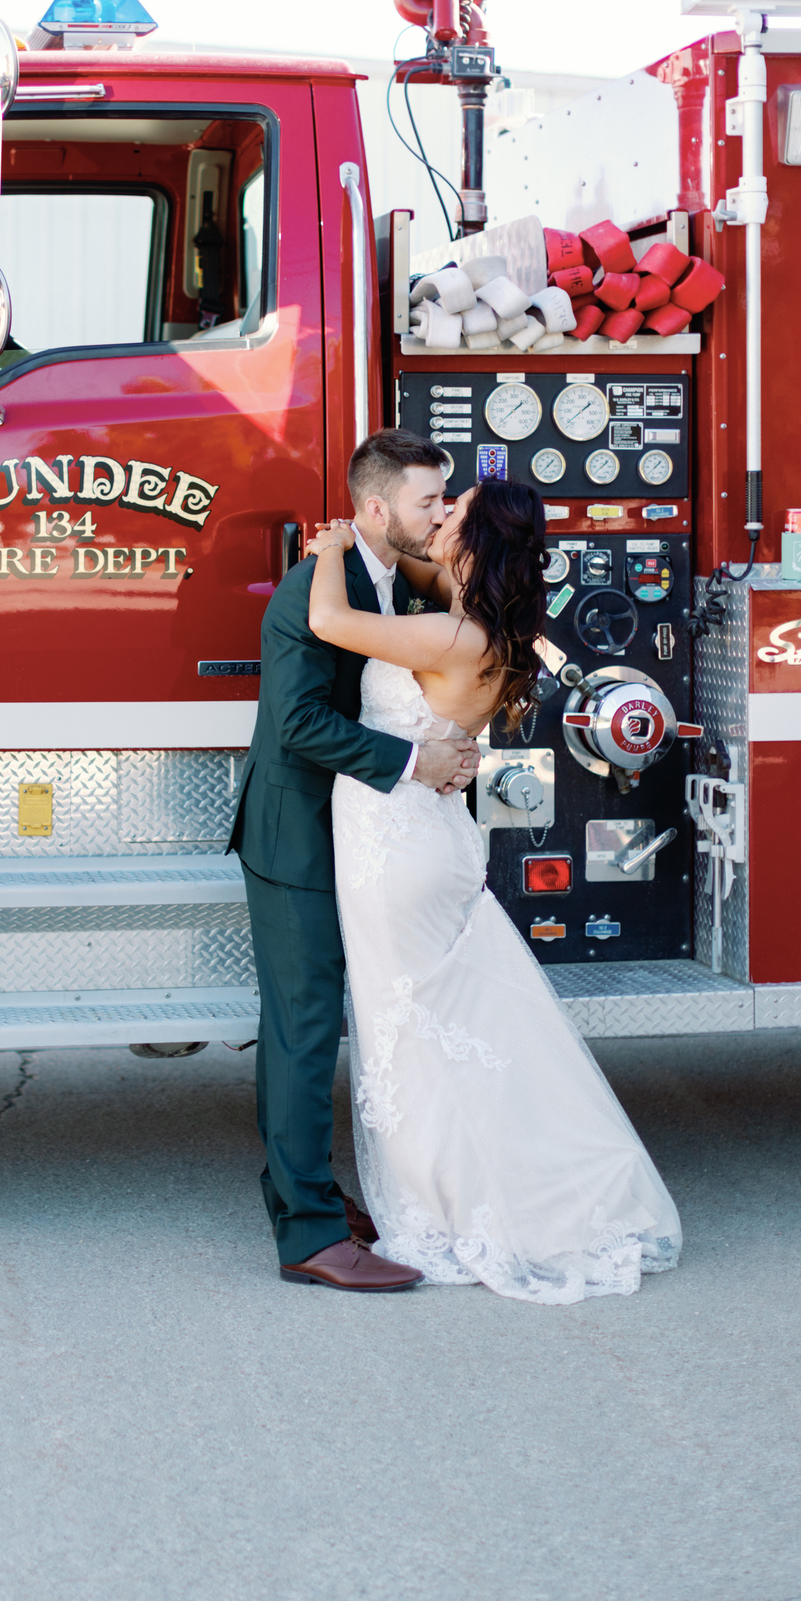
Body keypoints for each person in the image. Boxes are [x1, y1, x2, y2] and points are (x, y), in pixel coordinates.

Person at [306, 474, 682, 1304]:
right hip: (417, 840)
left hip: (397, 849)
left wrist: (333, 547)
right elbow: (435, 575)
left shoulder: (451, 636)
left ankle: (448, 1210)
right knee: (433, 1031)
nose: (441, 515)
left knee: (410, 1037)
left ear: (477, 544)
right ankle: (462, 1193)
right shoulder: (482, 622)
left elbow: (329, 621)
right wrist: (416, 547)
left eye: (457, 513)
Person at [229, 431, 480, 1291]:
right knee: (302, 1034)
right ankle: (306, 1236)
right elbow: (297, 724)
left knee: (310, 1027)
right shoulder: (315, 585)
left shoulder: (385, 571)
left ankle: (310, 1195)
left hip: (351, 833)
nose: (439, 514)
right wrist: (418, 763)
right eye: (425, 502)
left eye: (445, 500)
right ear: (376, 508)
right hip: (294, 838)